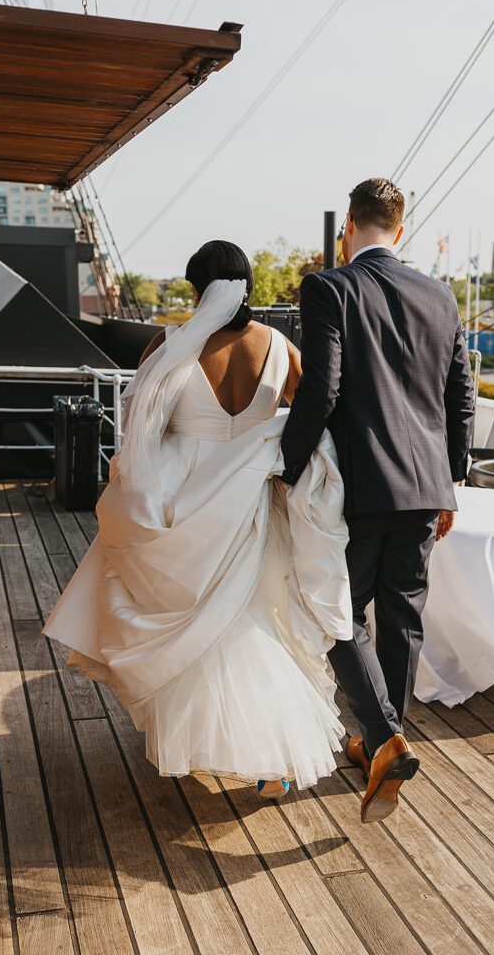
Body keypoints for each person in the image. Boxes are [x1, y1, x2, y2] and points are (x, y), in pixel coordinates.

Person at [43, 241, 354, 799]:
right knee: (257, 617)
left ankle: (213, 744)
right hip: (252, 504)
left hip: (183, 501)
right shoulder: (280, 347)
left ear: (197, 289)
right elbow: (316, 409)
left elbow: (139, 424)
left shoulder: (171, 345)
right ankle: (270, 757)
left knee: (198, 623)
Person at [280, 178, 475, 823]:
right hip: (424, 491)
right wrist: (451, 483)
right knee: (401, 619)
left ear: (348, 231)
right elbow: (460, 400)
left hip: (361, 487)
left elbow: (322, 390)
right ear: (399, 229)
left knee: (337, 614)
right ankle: (381, 740)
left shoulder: (329, 287)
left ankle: (383, 739)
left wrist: (286, 465)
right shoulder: (442, 297)